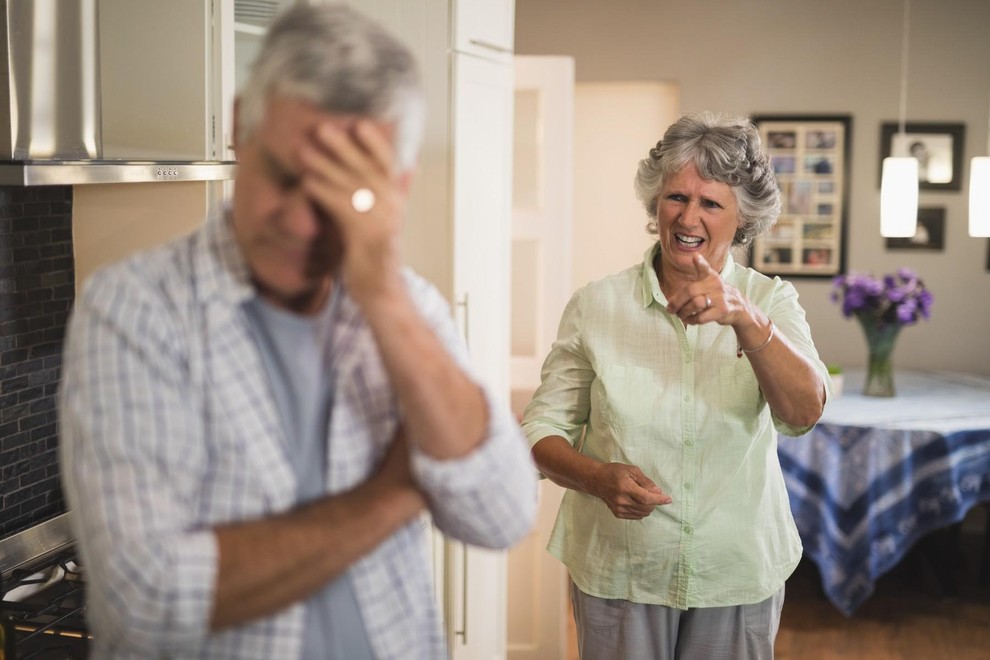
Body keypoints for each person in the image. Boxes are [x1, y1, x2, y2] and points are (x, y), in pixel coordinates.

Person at [57, 4, 537, 659]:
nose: (304, 223)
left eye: (342, 194)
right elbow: (147, 599)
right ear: (237, 128)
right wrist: (393, 493)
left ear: (397, 185)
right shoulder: (134, 309)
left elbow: (504, 513)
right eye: (284, 178)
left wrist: (383, 295)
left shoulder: (407, 306)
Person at [521, 112, 831, 660]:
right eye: (675, 197)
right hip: (621, 568)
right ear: (655, 204)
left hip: (735, 569)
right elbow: (539, 433)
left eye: (711, 203)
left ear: (742, 220)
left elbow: (803, 413)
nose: (688, 217)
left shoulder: (771, 302)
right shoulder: (596, 305)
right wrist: (596, 478)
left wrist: (746, 320)